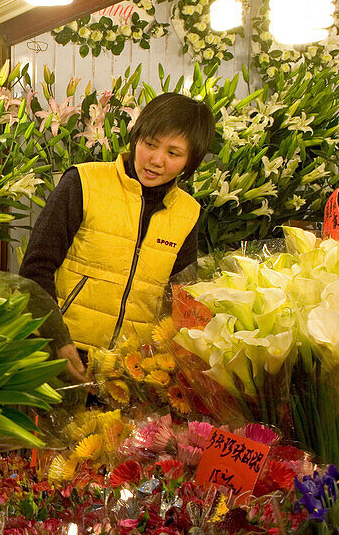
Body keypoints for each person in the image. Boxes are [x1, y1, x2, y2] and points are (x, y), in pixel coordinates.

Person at [19, 92, 215, 380]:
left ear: (190, 161)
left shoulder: (188, 213)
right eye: (149, 144)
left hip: (133, 369)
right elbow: (35, 270)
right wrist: (58, 339)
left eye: (173, 153)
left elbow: (178, 300)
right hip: (64, 353)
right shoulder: (83, 183)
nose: (156, 160)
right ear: (136, 138)